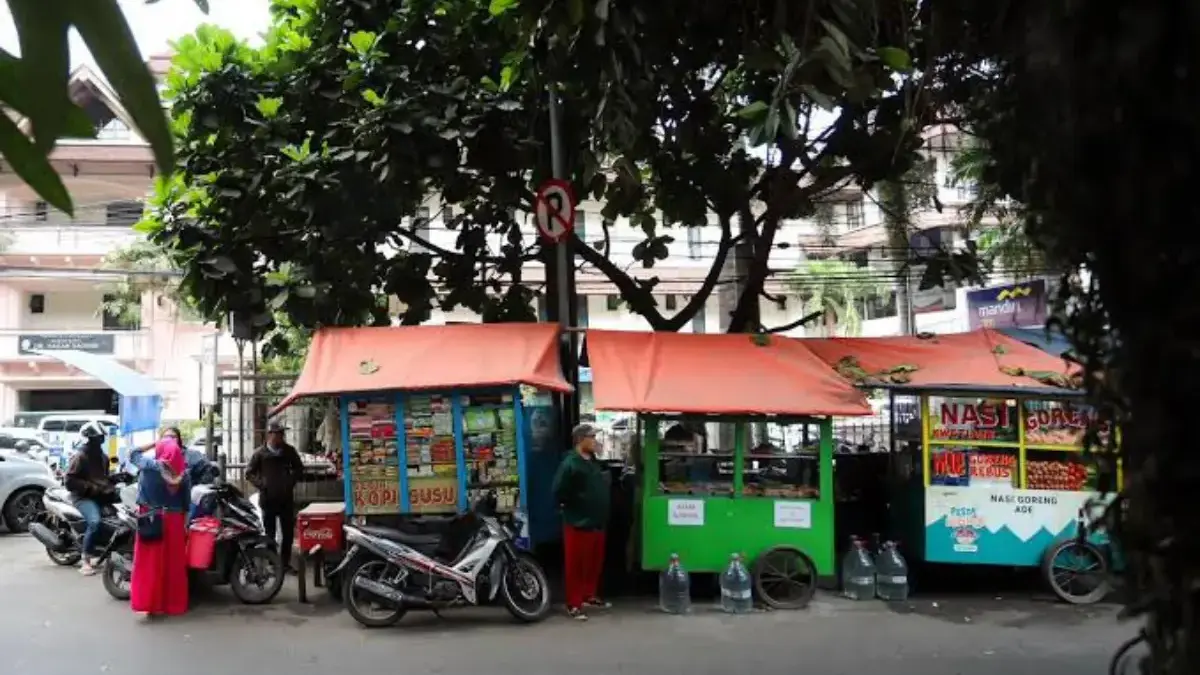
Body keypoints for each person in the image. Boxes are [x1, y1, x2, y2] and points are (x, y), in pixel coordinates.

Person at [552, 423, 612, 621]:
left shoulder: (592, 461)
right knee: (576, 564)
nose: (595, 441)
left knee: (594, 562)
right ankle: (574, 603)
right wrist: (574, 506)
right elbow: (560, 490)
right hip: (578, 522)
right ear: (580, 439)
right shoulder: (570, 463)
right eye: (592, 437)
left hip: (596, 521)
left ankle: (589, 594)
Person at [127, 432, 190, 619]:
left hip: (152, 518)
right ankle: (173, 604)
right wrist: (185, 522)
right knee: (174, 565)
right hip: (174, 520)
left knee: (150, 565)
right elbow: (186, 502)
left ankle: (150, 603)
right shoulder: (183, 472)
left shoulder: (150, 466)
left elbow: (132, 453)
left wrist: (155, 443)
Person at [246, 421, 305, 572]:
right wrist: (262, 485)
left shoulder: (288, 451)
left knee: (288, 533)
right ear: (270, 435)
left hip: (285, 498)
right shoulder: (260, 453)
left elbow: (299, 468)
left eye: (282, 435)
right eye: (278, 434)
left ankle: (285, 563)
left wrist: (290, 481)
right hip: (268, 499)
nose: (280, 438)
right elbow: (249, 473)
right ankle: (273, 563)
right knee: (270, 532)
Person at [63, 422, 115, 576]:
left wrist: (116, 479)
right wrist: (91, 488)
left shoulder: (103, 458)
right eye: (96, 438)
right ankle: (85, 560)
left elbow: (103, 478)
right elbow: (69, 481)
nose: (99, 441)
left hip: (100, 496)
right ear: (88, 440)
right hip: (83, 498)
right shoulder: (80, 457)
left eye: (101, 438)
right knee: (95, 522)